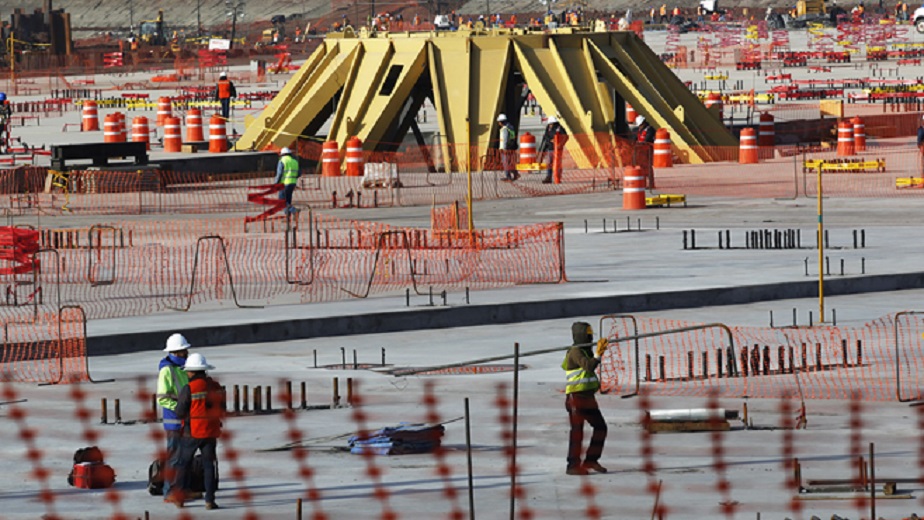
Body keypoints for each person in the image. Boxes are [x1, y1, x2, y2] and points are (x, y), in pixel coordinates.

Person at [171, 353, 224, 510]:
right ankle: (209, 500)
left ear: (192, 372)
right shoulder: (216, 387)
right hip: (211, 432)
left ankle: (179, 499)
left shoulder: (189, 388)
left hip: (192, 432)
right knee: (209, 466)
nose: (187, 374)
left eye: (188, 371)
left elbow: (180, 412)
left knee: (183, 464)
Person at [562, 322, 609, 476]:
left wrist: (596, 353)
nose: (590, 336)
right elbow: (588, 366)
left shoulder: (585, 350)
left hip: (588, 397)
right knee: (577, 431)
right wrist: (598, 354)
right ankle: (572, 465)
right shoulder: (575, 351)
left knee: (601, 427)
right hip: (576, 398)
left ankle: (591, 460)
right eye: (588, 334)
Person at [157, 333, 192, 502]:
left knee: (184, 458)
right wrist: (180, 408)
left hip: (185, 419)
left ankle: (182, 489)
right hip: (173, 421)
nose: (187, 354)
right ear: (176, 352)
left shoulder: (183, 368)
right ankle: (169, 492)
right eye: (184, 351)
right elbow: (163, 398)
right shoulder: (167, 370)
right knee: (173, 457)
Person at [539, 116, 567, 184]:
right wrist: (549, 141)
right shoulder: (548, 128)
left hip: (557, 149)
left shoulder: (559, 128)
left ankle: (557, 177)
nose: (551, 125)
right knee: (549, 163)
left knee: (557, 164)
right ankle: (548, 177)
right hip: (550, 148)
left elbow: (565, 136)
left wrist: (560, 144)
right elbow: (546, 136)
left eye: (552, 124)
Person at [275, 147, 300, 215]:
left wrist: (276, 183)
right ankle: (288, 216)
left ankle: (294, 210)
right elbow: (299, 173)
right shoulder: (294, 161)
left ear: (282, 154)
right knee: (288, 200)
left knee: (281, 201)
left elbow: (279, 173)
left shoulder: (282, 161)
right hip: (292, 183)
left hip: (284, 183)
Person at [497, 114, 519, 181]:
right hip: (511, 147)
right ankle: (515, 173)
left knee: (505, 162)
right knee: (510, 162)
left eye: (499, 122)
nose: (498, 123)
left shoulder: (504, 129)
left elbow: (505, 139)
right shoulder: (510, 127)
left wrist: (504, 148)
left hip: (506, 149)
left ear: (501, 122)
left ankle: (508, 177)